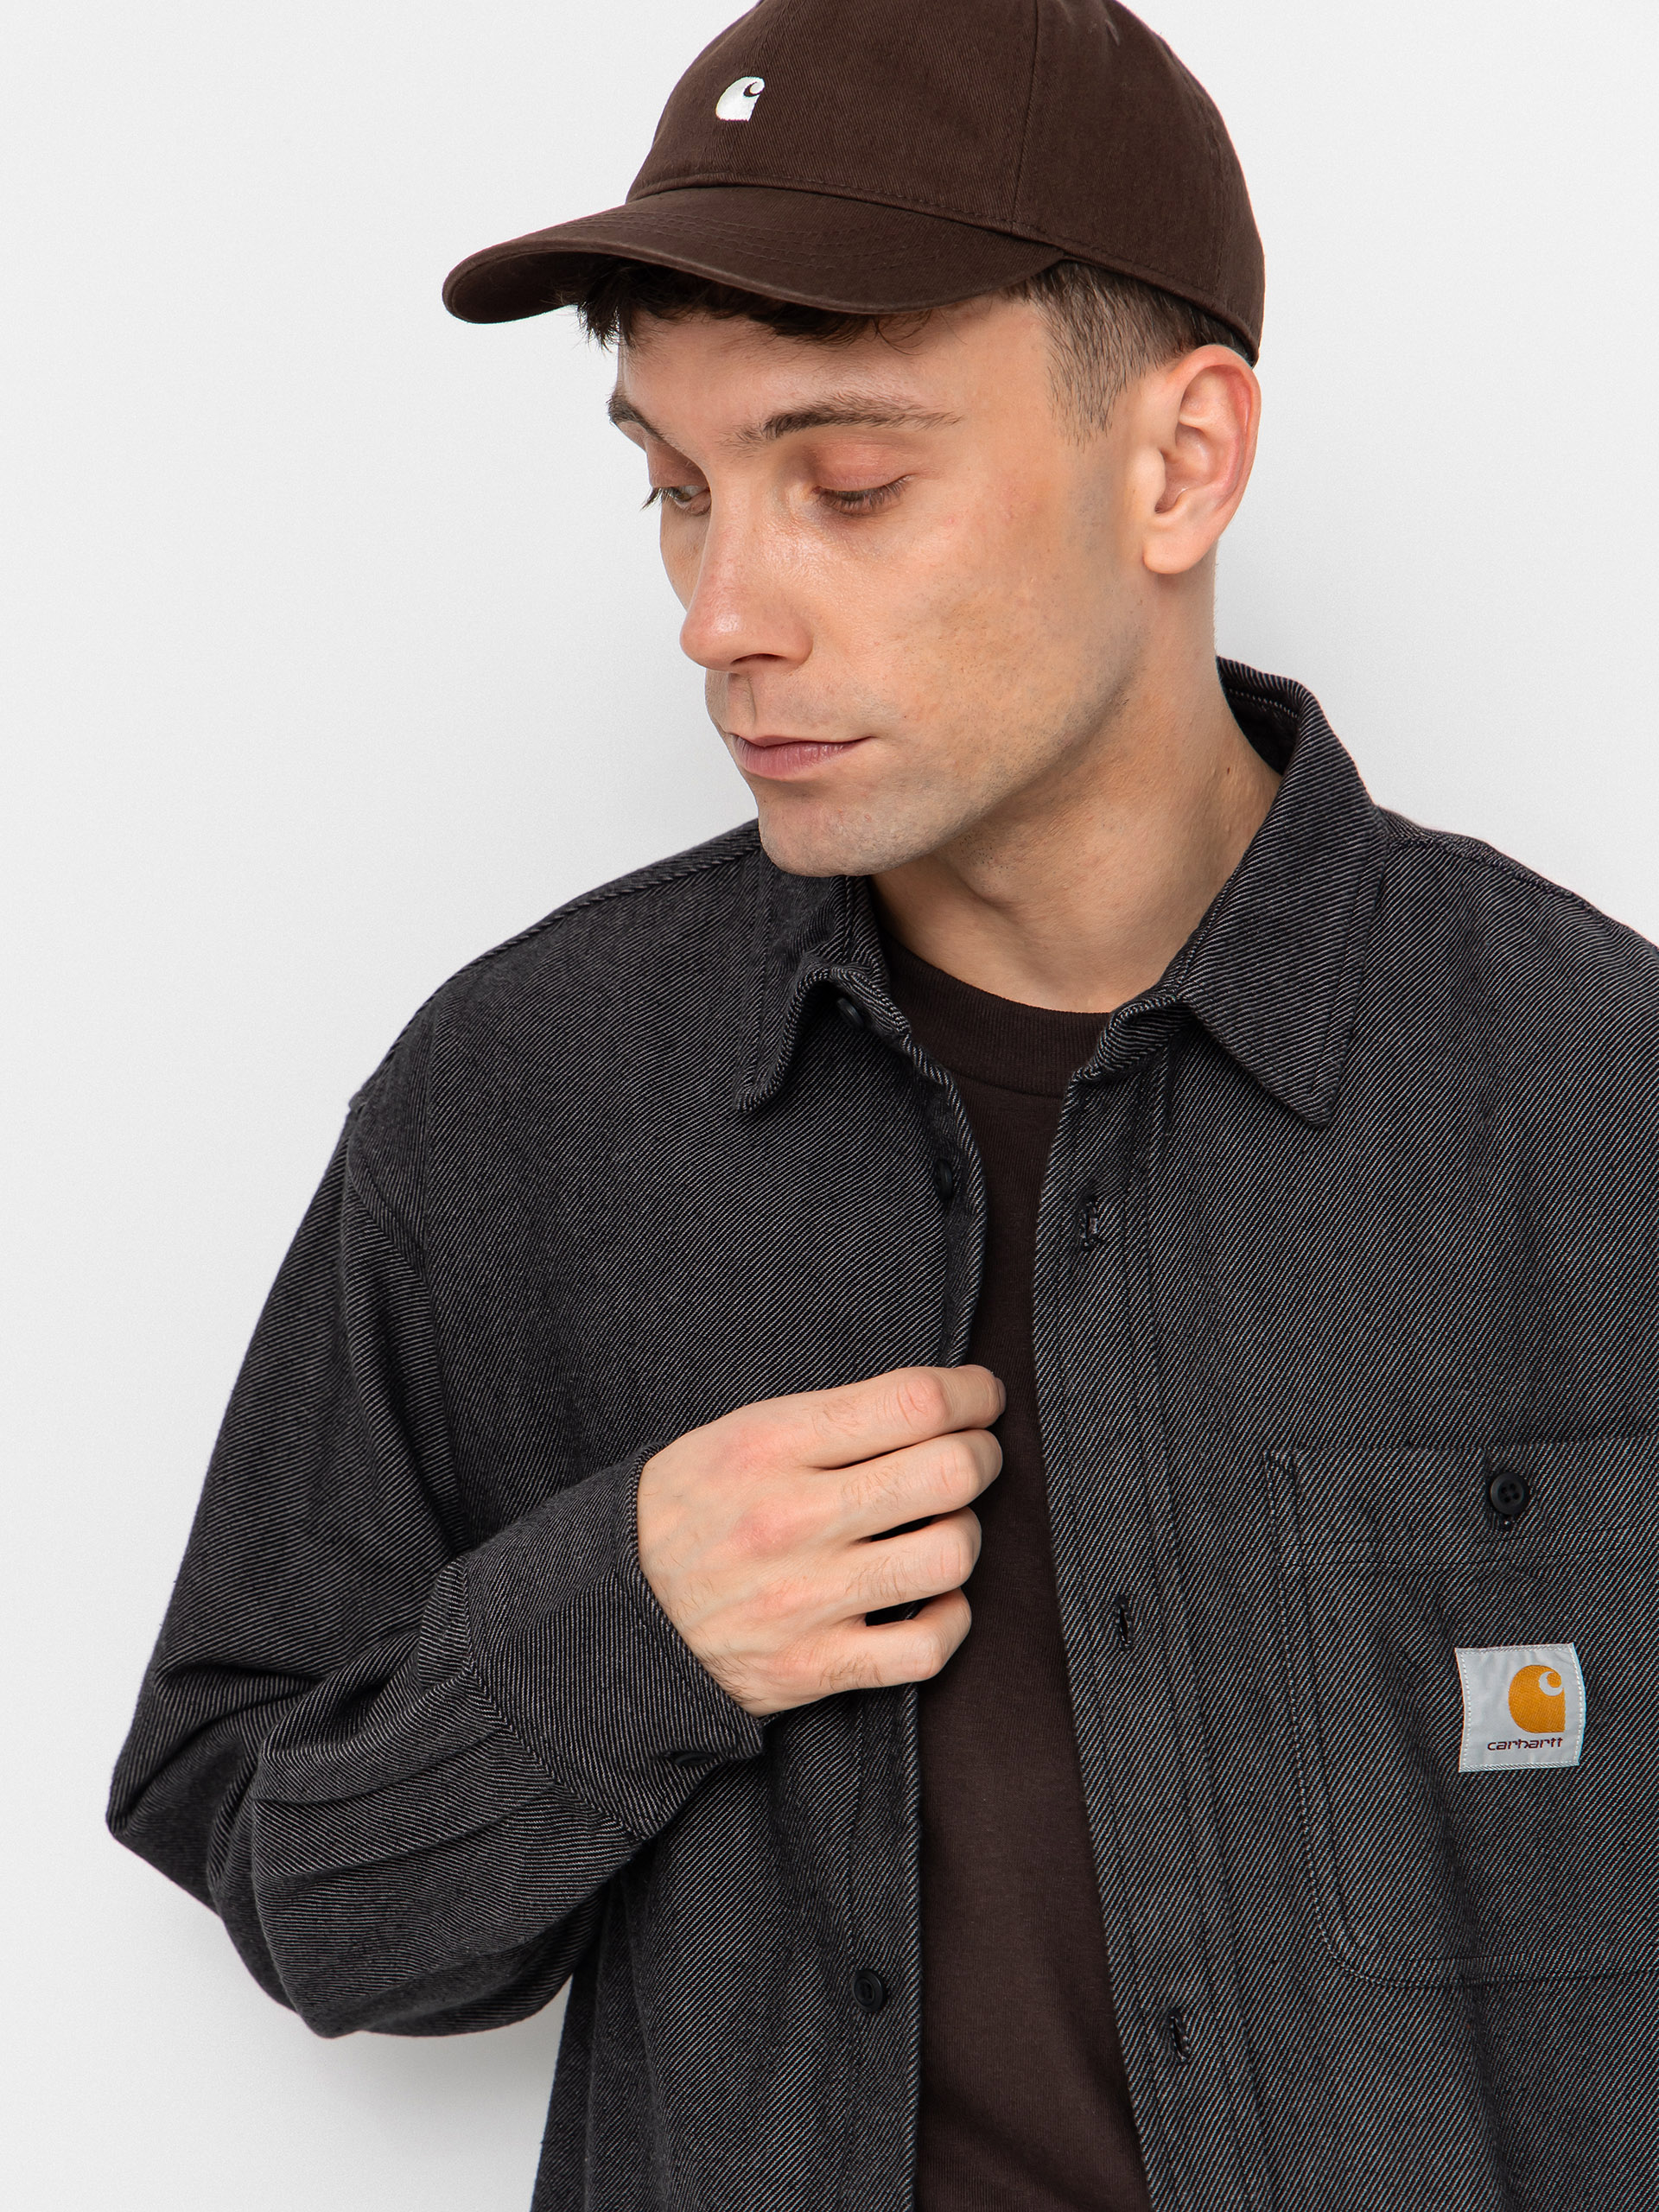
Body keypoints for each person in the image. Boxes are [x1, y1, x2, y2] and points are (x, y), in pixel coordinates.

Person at [109, 2, 1659, 2208]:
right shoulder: (523, 1108)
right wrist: (625, 1629)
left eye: (846, 484)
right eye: (676, 489)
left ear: (1181, 462)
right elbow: (305, 1895)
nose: (720, 613)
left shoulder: (1597, 1103)